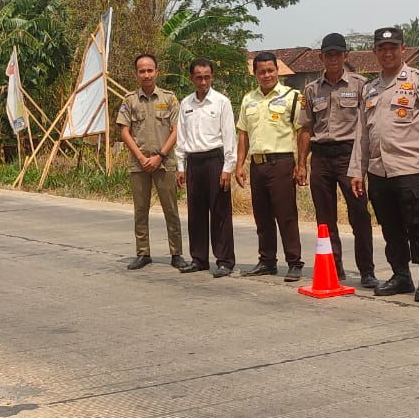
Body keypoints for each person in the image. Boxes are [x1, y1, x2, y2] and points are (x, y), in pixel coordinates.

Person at [349, 27, 419, 302]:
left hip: (411, 168)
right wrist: (357, 171)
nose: (388, 53)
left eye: (393, 47)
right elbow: (362, 133)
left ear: (404, 49)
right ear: (375, 52)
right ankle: (401, 275)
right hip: (379, 171)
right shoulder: (369, 88)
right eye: (382, 48)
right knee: (390, 226)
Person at [296, 33, 378, 288]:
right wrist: (301, 163)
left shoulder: (361, 85)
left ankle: (367, 271)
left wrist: (364, 164)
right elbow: (306, 129)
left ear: (345, 56)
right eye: (327, 54)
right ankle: (334, 267)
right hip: (320, 157)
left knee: (359, 215)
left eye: (337, 54)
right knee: (325, 217)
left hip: (349, 156)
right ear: (321, 56)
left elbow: (368, 126)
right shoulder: (311, 89)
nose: (332, 58)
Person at [235, 51, 303, 282]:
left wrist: (301, 163)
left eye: (270, 70)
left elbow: (303, 132)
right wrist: (239, 164)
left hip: (281, 163)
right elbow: (243, 133)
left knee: (286, 215)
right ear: (254, 73)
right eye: (261, 71)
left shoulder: (293, 96)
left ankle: (294, 262)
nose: (266, 75)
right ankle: (267, 261)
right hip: (257, 164)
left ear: (278, 71)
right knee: (261, 216)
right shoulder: (248, 99)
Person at [116, 54, 188, 270]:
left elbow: (177, 131)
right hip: (139, 165)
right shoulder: (129, 100)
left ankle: (176, 253)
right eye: (141, 71)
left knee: (171, 210)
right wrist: (141, 157)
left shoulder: (169, 99)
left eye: (150, 70)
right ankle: (143, 252)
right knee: (140, 210)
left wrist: (159, 156)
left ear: (157, 71)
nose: (146, 74)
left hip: (164, 163)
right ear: (136, 74)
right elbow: (124, 131)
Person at [175, 58, 237, 278]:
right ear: (191, 78)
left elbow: (230, 137)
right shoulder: (186, 104)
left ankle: (225, 261)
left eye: (207, 77)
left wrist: (227, 168)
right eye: (198, 77)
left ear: (212, 77)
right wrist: (181, 166)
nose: (203, 81)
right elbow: (181, 137)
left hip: (215, 161)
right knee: (196, 212)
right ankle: (199, 259)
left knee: (220, 212)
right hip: (194, 161)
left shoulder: (221, 102)